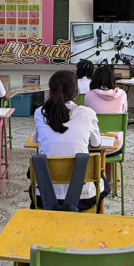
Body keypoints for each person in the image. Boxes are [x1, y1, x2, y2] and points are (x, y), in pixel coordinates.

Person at [32, 70, 110, 212]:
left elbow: (36, 139)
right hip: (83, 198)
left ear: (50, 92)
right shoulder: (87, 113)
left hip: (44, 197)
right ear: (77, 93)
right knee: (103, 182)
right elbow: (96, 143)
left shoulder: (40, 112)